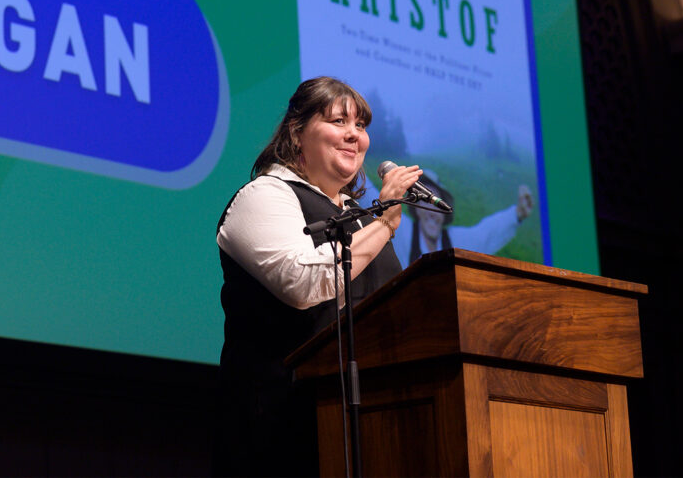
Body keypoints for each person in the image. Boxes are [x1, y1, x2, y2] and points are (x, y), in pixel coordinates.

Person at [213, 77, 422, 477]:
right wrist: (383, 222)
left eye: (360, 126)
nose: (354, 135)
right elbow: (303, 285)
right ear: (297, 131)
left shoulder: (364, 217)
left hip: (375, 423)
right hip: (282, 427)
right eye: (339, 121)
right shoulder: (265, 195)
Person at [388, 170, 535, 267]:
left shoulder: (455, 241)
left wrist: (516, 214)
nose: (432, 212)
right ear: (416, 209)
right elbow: (371, 196)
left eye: (437, 204)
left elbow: (485, 234)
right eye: (425, 202)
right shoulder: (403, 231)